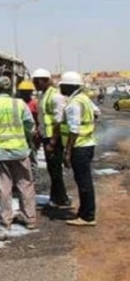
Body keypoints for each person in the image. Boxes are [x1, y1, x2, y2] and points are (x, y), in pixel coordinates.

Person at [0, 76, 37, 230]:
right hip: (20, 150)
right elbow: (30, 124)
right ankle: (30, 218)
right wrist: (27, 137)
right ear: (10, 89)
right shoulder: (19, 104)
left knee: (4, 187)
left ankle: (6, 220)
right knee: (26, 185)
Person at [59, 71, 100, 226]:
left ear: (70, 86)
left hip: (79, 147)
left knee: (84, 181)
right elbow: (97, 113)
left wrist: (67, 152)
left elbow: (74, 129)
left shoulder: (74, 103)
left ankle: (88, 216)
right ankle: (84, 212)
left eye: (62, 85)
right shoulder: (84, 99)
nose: (61, 88)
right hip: (88, 143)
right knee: (84, 180)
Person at [31, 68, 71, 208]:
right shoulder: (43, 95)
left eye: (37, 81)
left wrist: (53, 141)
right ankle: (57, 197)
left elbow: (58, 121)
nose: (35, 84)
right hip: (46, 136)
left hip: (54, 138)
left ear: (46, 81)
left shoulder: (55, 96)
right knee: (52, 168)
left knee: (55, 169)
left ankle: (61, 198)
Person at [17, 79, 41, 180]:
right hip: (18, 134)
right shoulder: (17, 103)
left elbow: (39, 119)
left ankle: (33, 177)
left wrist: (37, 132)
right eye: (23, 92)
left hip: (31, 133)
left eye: (27, 92)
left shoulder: (35, 104)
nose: (25, 94)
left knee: (32, 156)